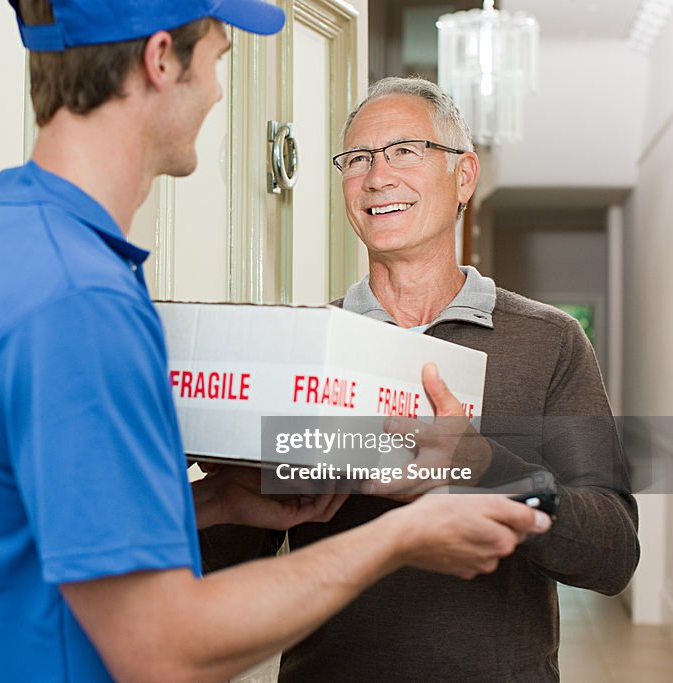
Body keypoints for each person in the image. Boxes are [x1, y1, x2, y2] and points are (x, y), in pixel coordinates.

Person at [0, 5, 552, 680]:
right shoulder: (78, 300)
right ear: (159, 60)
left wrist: (213, 503)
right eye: (215, 57)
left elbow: (27, 543)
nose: (216, 90)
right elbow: (161, 646)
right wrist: (402, 536)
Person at [200, 76, 640, 682]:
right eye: (357, 159)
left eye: (405, 150)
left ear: (463, 176)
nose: (378, 177)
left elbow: (612, 554)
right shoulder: (302, 349)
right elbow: (209, 569)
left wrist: (483, 467)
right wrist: (211, 483)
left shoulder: (552, 342)